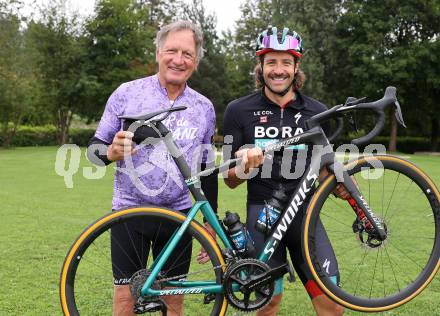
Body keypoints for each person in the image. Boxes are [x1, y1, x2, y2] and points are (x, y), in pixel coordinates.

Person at [87, 20, 218, 316]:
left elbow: (206, 167)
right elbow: (93, 151)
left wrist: (210, 219)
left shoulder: (203, 107)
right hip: (130, 213)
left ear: (195, 61)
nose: (178, 59)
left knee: (173, 302)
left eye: (187, 54)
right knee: (124, 303)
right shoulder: (126, 93)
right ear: (158, 52)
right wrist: (110, 152)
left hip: (180, 216)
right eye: (172, 50)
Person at [223, 26, 347, 315]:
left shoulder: (318, 112)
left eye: (285, 62)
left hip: (306, 215)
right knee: (268, 304)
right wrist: (243, 165)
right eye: (271, 62)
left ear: (296, 66)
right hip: (261, 217)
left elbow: (326, 172)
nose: (278, 70)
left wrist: (341, 186)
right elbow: (229, 181)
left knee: (332, 305)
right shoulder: (238, 111)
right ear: (260, 66)